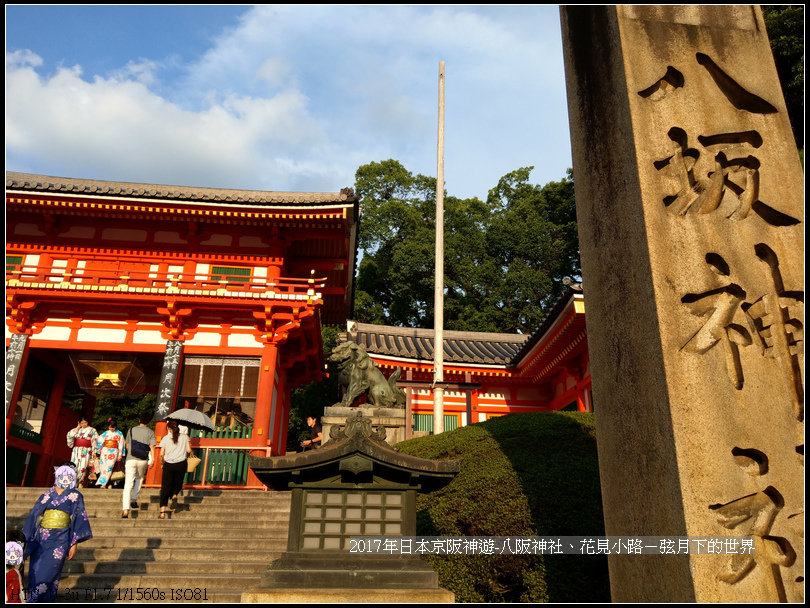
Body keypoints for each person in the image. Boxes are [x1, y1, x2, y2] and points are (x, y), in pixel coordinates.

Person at [22, 465, 92, 603]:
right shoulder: (46, 494)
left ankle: (34, 600)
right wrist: (25, 540)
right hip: (41, 539)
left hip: (60, 540)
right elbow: (33, 516)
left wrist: (74, 543)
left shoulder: (75, 495)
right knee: (35, 572)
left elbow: (79, 518)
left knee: (50, 574)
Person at [122, 411, 156, 518]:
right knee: (139, 478)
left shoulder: (131, 430)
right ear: (149, 422)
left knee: (128, 484)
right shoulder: (150, 432)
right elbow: (152, 447)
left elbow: (127, 446)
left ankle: (125, 510)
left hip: (131, 459)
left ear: (139, 420)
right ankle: (134, 499)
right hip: (143, 460)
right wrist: (153, 459)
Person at [158, 420, 191, 519]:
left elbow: (161, 454)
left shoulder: (165, 438)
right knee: (178, 482)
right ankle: (174, 495)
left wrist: (161, 463)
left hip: (169, 464)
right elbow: (189, 450)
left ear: (169, 428)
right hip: (181, 463)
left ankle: (162, 512)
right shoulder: (185, 437)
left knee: (165, 487)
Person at [66, 417, 98, 488]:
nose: (84, 424)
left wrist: (94, 452)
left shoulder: (92, 430)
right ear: (79, 423)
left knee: (83, 467)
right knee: (74, 466)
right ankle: (73, 482)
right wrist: (77, 427)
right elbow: (70, 436)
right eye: (82, 423)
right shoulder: (77, 430)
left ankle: (81, 482)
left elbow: (95, 441)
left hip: (86, 450)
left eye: (85, 422)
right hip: (76, 450)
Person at [95, 418, 124, 489]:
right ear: (108, 426)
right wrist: (98, 451)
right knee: (103, 467)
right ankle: (107, 483)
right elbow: (99, 442)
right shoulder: (105, 433)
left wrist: (120, 454)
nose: (112, 428)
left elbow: (121, 444)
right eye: (110, 427)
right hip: (105, 451)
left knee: (109, 467)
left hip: (114, 451)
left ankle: (103, 483)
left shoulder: (119, 434)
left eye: (113, 427)